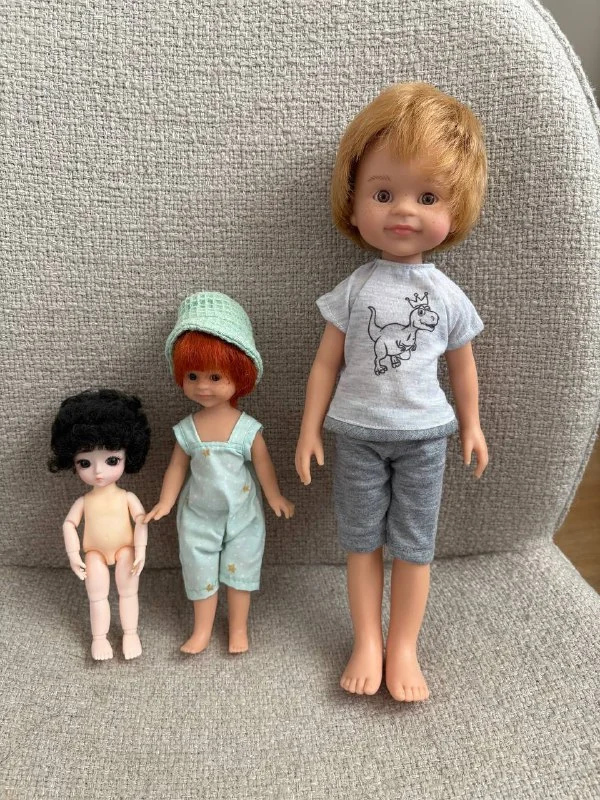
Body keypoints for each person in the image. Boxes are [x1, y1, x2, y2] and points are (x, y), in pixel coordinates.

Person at [295, 83, 489, 701]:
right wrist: (308, 428)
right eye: (383, 194)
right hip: (355, 435)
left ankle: (403, 645)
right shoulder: (354, 289)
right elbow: (325, 364)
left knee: (414, 546)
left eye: (427, 197)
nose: (404, 211)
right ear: (353, 205)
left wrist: (472, 425)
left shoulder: (446, 296)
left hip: (425, 437)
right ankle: (368, 641)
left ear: (454, 210)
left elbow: (463, 367)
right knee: (360, 543)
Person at [145, 291, 294, 655]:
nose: (203, 386)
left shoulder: (247, 429)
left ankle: (238, 629)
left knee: (241, 571)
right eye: (193, 376)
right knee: (199, 570)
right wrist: (165, 501)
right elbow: (177, 466)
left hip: (242, 514)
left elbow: (262, 464)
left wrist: (275, 496)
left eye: (215, 376)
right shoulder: (187, 429)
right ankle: (201, 630)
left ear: (240, 375)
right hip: (198, 514)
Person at [49, 389, 151, 661]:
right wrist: (73, 555)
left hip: (125, 549)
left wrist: (141, 549)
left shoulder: (127, 497)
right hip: (93, 552)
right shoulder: (84, 501)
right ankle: (99, 638)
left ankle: (130, 633)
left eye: (111, 460)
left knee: (128, 592)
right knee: (96, 595)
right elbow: (69, 524)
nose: (98, 471)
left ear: (129, 456)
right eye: (85, 463)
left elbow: (141, 519)